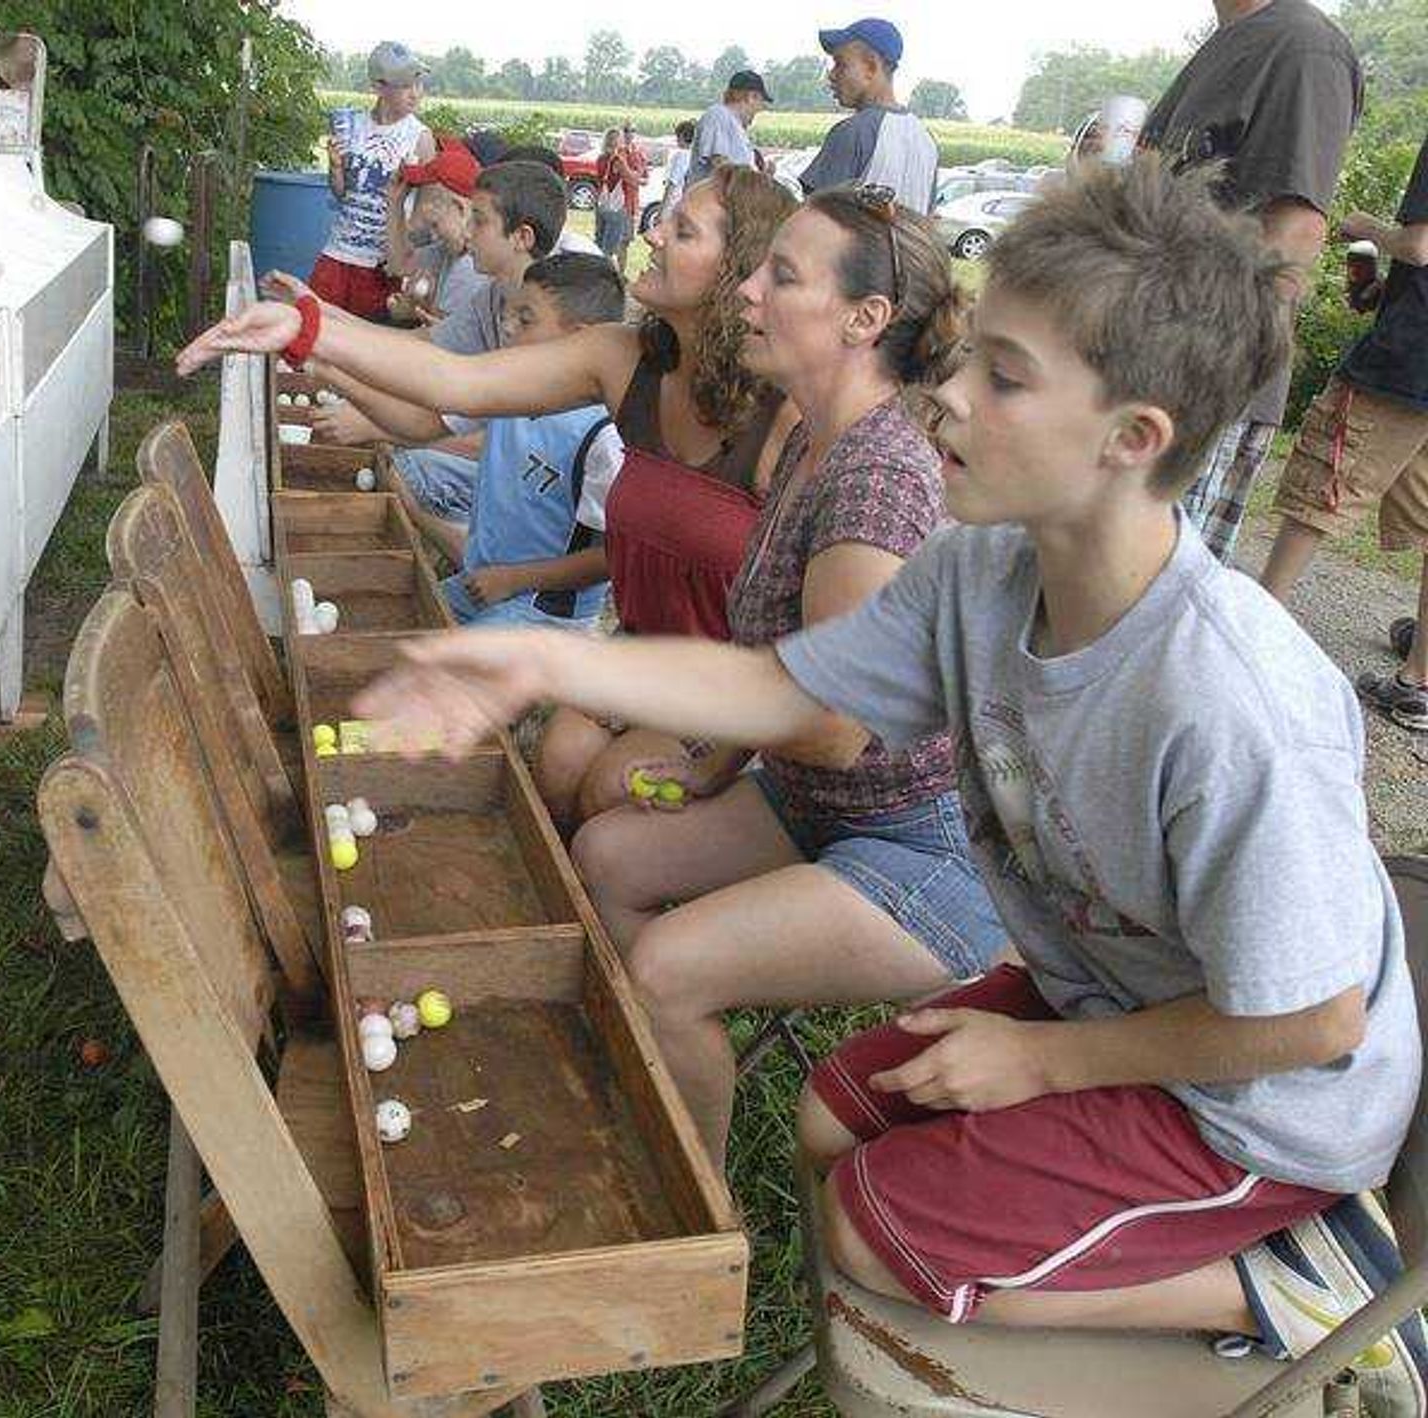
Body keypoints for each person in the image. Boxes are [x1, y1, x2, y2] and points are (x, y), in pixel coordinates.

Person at [343, 159, 1427, 1410]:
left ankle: (1303, 1279)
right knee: (825, 1121)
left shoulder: (1230, 700)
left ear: (1133, 441)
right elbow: (781, 693)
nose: (949, 392)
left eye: (1003, 377)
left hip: (1253, 1107)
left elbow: (1312, 1024)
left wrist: (1043, 1066)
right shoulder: (980, 575)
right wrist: (536, 655)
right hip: (1111, 992)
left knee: (869, 1230)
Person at [568, 186, 1006, 1169]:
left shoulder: (877, 476)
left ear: (866, 320)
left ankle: (692, 1211)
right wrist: (713, 767)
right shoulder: (814, 433)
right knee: (606, 854)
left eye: (781, 277)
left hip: (927, 848)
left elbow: (835, 723)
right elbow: (788, 674)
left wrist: (653, 692)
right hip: (821, 805)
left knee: (669, 965)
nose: (749, 291)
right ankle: (647, 1086)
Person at [179, 168, 801, 826]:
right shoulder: (622, 359)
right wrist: (307, 331)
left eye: (682, 230)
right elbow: (455, 383)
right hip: (638, 650)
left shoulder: (783, 418)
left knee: (605, 794)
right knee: (558, 769)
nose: (651, 235)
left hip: (726, 678)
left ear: (738, 271)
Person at [1142, 0, 1363, 564]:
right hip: (1143, 362)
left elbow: (1293, 235)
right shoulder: (1228, 39)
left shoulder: (1303, 48)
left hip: (1201, 383)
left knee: (1148, 609)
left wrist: (1201, 374)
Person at [342, 254, 627, 629]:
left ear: (580, 340)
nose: (508, 328)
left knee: (438, 672)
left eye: (525, 320)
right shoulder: (512, 388)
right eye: (510, 316)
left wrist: (513, 579)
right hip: (484, 584)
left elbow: (612, 556)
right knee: (401, 632)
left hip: (544, 608)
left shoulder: (604, 438)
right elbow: (420, 421)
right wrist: (336, 372)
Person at [1260, 133, 1428, 734]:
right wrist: (1391, 292)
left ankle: (1250, 644)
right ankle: (1417, 683)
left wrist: (1361, 225)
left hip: (1407, 364)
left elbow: (1420, 243)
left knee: (1323, 487)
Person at [308, 160, 569, 524]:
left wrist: (375, 423)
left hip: (534, 499)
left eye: (479, 220)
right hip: (496, 463)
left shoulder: (548, 327)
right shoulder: (495, 296)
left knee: (404, 468)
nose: (469, 230)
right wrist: (320, 319)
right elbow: (420, 343)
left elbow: (499, 444)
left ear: (521, 237)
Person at [313, 41, 438, 320]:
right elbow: (342, 194)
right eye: (406, 85)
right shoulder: (352, 125)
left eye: (419, 83)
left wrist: (400, 254)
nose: (415, 93)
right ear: (379, 87)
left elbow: (424, 212)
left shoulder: (420, 137)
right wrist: (335, 168)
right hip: (337, 254)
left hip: (380, 266)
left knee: (364, 350)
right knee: (317, 338)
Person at [798, 18, 939, 215]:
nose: (831, 75)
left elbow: (814, 220)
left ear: (871, 67)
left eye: (840, 64)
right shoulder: (926, 140)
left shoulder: (852, 132)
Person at [384, 143, 489, 327]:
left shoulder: (471, 266)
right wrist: (395, 203)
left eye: (435, 224)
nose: (423, 209)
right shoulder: (448, 248)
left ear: (461, 208)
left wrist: (411, 311)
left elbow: (443, 342)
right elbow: (399, 265)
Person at [688, 70, 771, 186]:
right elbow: (721, 164)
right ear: (751, 97)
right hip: (709, 203)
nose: (760, 108)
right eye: (761, 102)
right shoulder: (718, 115)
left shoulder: (735, 125)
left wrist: (762, 178)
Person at [597, 124, 649, 275]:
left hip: (602, 205)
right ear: (618, 141)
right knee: (610, 249)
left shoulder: (601, 158)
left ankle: (595, 276)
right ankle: (605, 280)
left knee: (600, 244)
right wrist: (639, 173)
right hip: (617, 207)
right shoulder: (618, 159)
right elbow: (632, 179)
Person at [661, 119, 697, 222]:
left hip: (673, 206)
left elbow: (672, 184)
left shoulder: (681, 156)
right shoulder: (695, 156)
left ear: (681, 136)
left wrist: (662, 210)